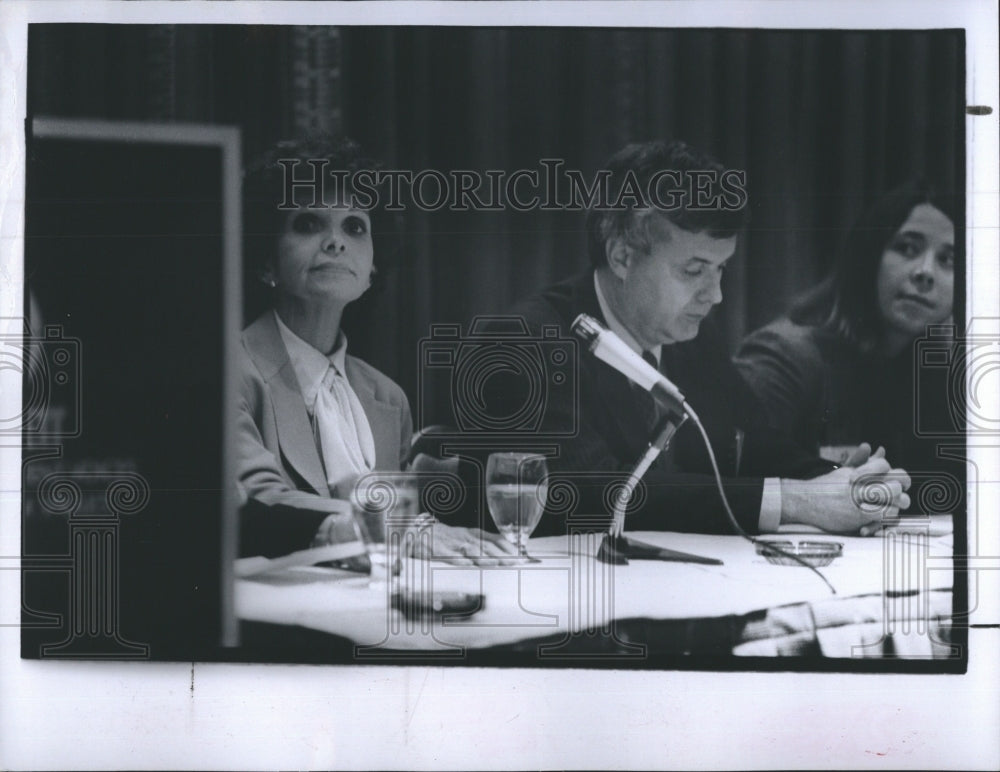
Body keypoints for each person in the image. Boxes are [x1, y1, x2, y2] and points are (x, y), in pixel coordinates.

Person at [488, 139, 910, 537]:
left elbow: (754, 446)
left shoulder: (689, 336)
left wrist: (843, 484)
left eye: (721, 269)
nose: (716, 295)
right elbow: (595, 495)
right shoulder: (524, 343)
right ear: (622, 257)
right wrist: (798, 501)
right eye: (694, 271)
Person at [237, 136, 515, 563]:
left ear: (372, 270)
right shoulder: (230, 371)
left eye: (355, 226)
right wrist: (400, 528)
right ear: (266, 261)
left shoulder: (388, 397)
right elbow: (258, 501)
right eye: (308, 223)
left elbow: (401, 533)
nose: (335, 242)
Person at [734, 179, 959, 517]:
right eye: (907, 248)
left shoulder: (937, 373)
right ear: (868, 256)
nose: (925, 273)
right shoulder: (786, 355)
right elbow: (730, 483)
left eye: (948, 260)